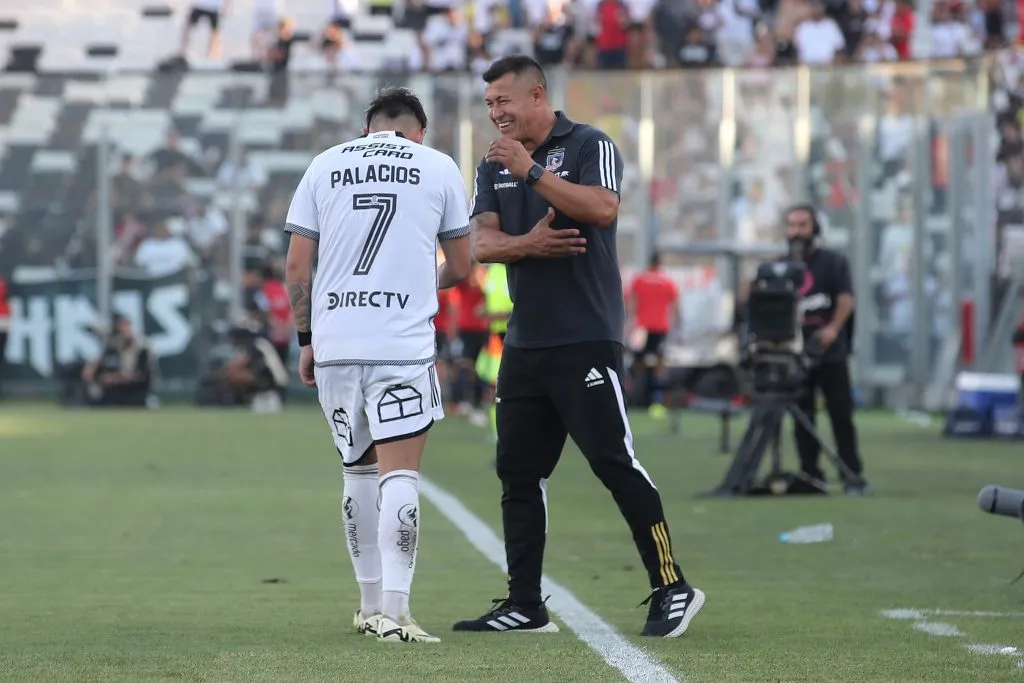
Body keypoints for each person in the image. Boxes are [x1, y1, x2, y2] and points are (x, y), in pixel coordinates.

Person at [453, 55, 705, 638]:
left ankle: (672, 585)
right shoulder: (493, 165)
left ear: (537, 95)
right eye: (489, 104)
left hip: (585, 336)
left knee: (614, 461)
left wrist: (533, 171)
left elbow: (603, 208)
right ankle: (525, 603)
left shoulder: (590, 143)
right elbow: (482, 245)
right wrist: (527, 244)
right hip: (525, 342)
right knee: (516, 471)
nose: (496, 114)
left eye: (504, 102)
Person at [284, 87, 472, 643]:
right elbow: (462, 264)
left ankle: (368, 606)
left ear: (367, 129)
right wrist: (420, 283)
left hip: (337, 339)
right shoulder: (436, 165)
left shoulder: (324, 164)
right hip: (400, 344)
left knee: (357, 472)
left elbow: (297, 264)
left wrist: (305, 338)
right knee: (401, 474)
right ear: (419, 132)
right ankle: (397, 610)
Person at [784, 204, 869, 495]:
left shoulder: (833, 262)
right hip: (796, 355)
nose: (797, 231)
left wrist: (833, 329)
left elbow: (846, 299)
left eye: (802, 225)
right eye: (792, 225)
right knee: (802, 417)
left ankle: (851, 475)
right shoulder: (781, 266)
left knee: (840, 415)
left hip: (830, 353)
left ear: (814, 228)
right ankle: (810, 475)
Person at [627, 251, 680, 410]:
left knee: (638, 362)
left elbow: (631, 302)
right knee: (660, 363)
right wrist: (677, 326)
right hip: (660, 327)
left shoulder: (640, 279)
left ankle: (635, 396)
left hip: (641, 327)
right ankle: (657, 400)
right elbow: (675, 306)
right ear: (660, 263)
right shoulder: (667, 281)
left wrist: (630, 321)